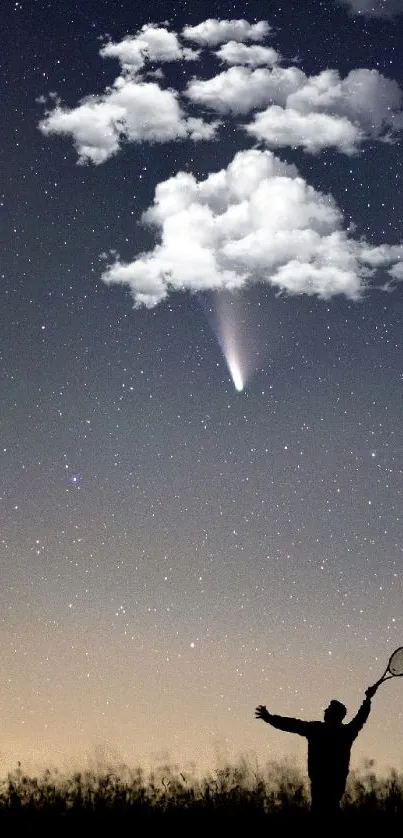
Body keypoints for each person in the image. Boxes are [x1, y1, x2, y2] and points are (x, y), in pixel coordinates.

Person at [255, 683, 378, 816]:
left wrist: (269, 718)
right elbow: (361, 718)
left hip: (319, 785)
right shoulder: (346, 733)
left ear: (333, 714)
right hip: (336, 786)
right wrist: (368, 699)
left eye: (328, 709)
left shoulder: (317, 729)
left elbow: (292, 724)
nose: (325, 710)